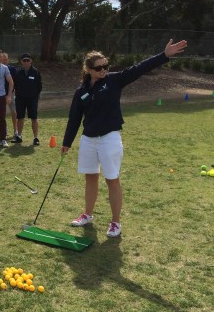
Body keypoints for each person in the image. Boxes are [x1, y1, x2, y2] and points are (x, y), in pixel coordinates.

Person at [62, 39, 187, 238]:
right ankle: (87, 214)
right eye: (99, 68)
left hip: (109, 138)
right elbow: (74, 118)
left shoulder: (114, 80)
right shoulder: (81, 91)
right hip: (88, 139)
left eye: (106, 66)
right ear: (88, 70)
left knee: (112, 179)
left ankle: (115, 222)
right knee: (90, 178)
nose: (104, 70)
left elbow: (138, 69)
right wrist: (67, 142)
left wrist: (164, 55)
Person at [13, 53, 42, 145]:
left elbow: (39, 86)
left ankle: (36, 138)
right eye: (24, 60)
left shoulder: (36, 72)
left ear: (31, 61)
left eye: (27, 60)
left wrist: (34, 95)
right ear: (21, 62)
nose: (26, 62)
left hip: (32, 99)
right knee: (20, 117)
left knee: (34, 118)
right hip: (20, 99)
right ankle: (19, 136)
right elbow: (15, 85)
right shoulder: (18, 72)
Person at [0, 52, 18, 138]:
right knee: (2, 113)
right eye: (3, 60)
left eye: (6, 60)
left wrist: (12, 93)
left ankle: (15, 130)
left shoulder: (12, 69)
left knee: (14, 112)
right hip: (1, 94)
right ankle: (4, 130)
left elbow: (16, 81)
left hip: (11, 93)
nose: (5, 61)